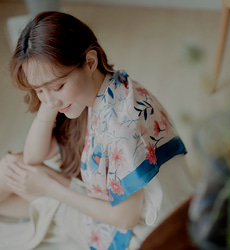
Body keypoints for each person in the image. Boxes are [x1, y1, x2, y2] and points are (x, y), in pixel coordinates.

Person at [0, 11, 194, 250]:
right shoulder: (113, 84)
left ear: (90, 62)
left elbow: (125, 218)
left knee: (11, 174)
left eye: (59, 86)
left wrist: (50, 188)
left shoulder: (119, 126)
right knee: (15, 170)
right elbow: (32, 157)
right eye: (39, 90)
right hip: (153, 212)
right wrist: (50, 91)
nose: (49, 100)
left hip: (137, 235)